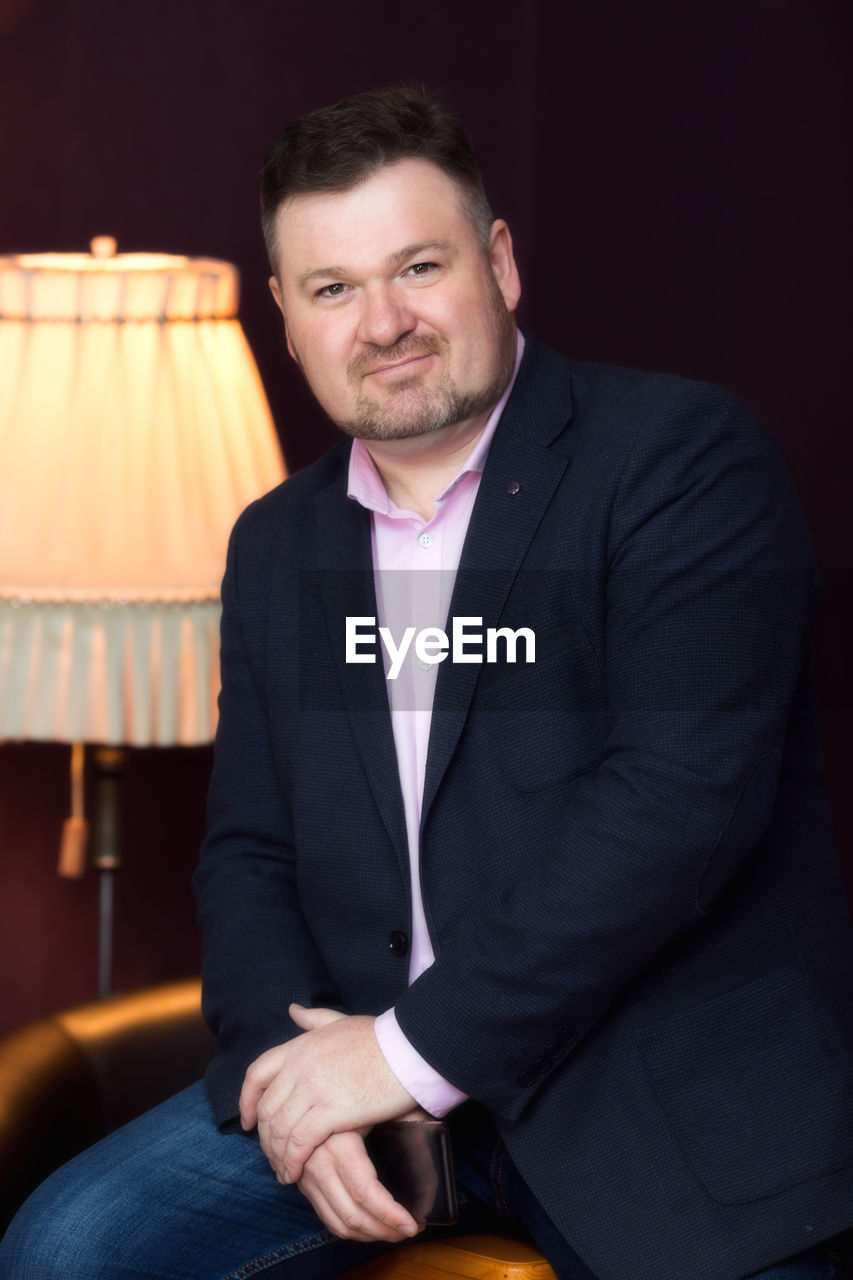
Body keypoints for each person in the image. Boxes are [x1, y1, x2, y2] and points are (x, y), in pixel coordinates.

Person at [2, 84, 852, 1280]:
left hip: (643, 1086)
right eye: (334, 288)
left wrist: (401, 1053)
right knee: (65, 1244)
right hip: (369, 1084)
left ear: (499, 264)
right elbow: (247, 849)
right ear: (287, 318)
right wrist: (288, 1079)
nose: (383, 321)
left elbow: (677, 800)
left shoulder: (679, 460)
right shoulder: (276, 542)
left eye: (418, 266)